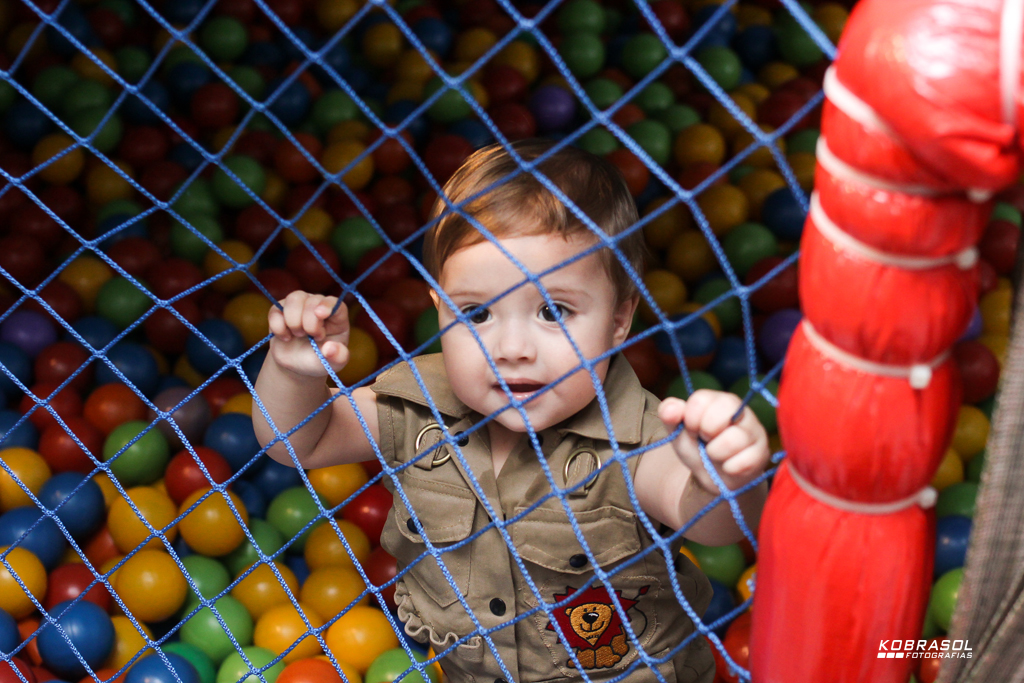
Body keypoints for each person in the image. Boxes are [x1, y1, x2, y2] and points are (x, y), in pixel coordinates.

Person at [253, 139, 771, 683]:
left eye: (553, 311)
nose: (513, 348)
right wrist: (292, 373)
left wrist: (725, 476)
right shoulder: (416, 410)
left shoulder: (635, 437)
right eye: (477, 314)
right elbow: (296, 442)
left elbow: (714, 524)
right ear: (439, 308)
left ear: (619, 320)